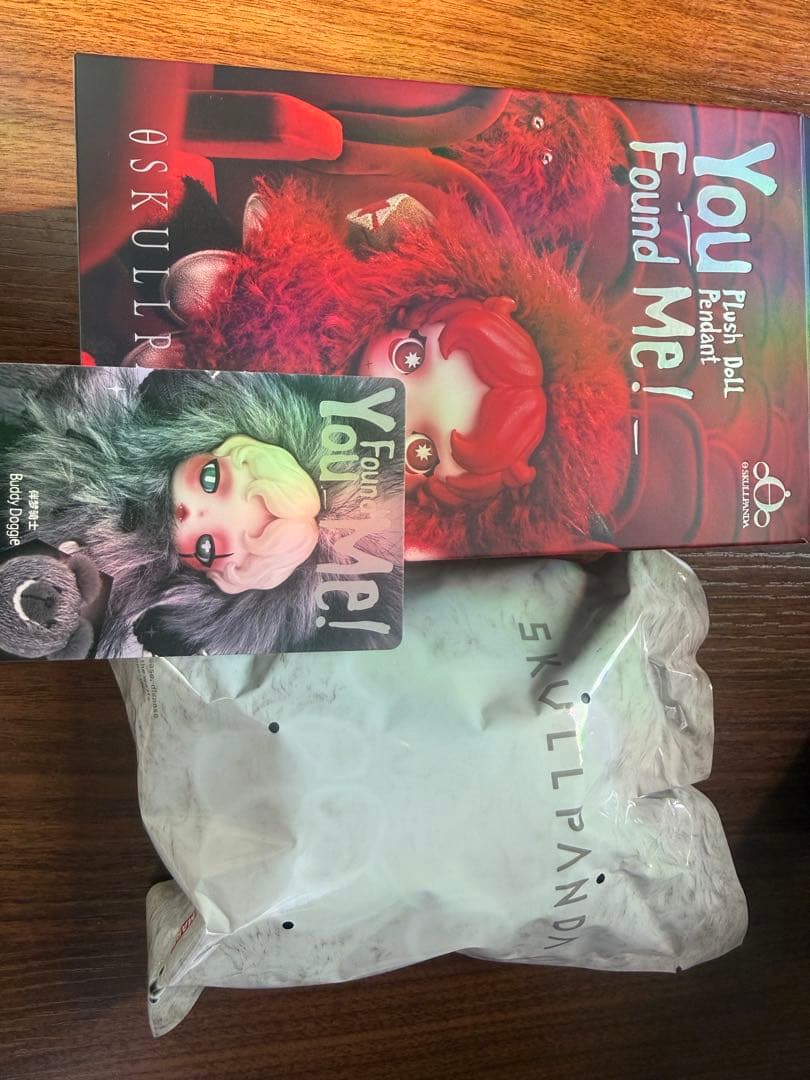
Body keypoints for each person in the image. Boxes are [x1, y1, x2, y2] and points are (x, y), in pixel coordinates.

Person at [124, 178, 631, 559]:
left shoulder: (354, 519)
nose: (385, 392)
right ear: (417, 307)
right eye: (411, 358)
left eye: (419, 450)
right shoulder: (321, 288)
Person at [0, 365, 402, 656]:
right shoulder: (117, 412)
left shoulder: (126, 591)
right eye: (211, 481)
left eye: (207, 545)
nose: (191, 512)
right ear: (221, 447)